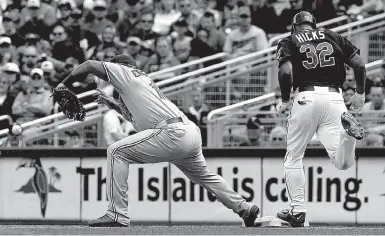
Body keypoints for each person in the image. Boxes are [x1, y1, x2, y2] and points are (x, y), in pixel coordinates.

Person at [55, 54, 260, 227]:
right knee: (205, 176)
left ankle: (117, 214)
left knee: (116, 151)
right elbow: (142, 123)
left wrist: (63, 84)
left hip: (172, 133)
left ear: (120, 67)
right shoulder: (141, 84)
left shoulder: (126, 73)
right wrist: (115, 105)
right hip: (188, 132)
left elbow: (90, 65)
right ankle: (244, 208)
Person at [275, 11, 366, 227]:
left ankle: (298, 211)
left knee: (294, 157)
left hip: (305, 97)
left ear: (295, 27)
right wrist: (360, 94)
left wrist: (286, 100)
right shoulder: (333, 36)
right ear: (314, 26)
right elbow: (360, 65)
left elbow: (286, 72)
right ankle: (348, 135)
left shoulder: (290, 40)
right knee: (342, 162)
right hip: (335, 99)